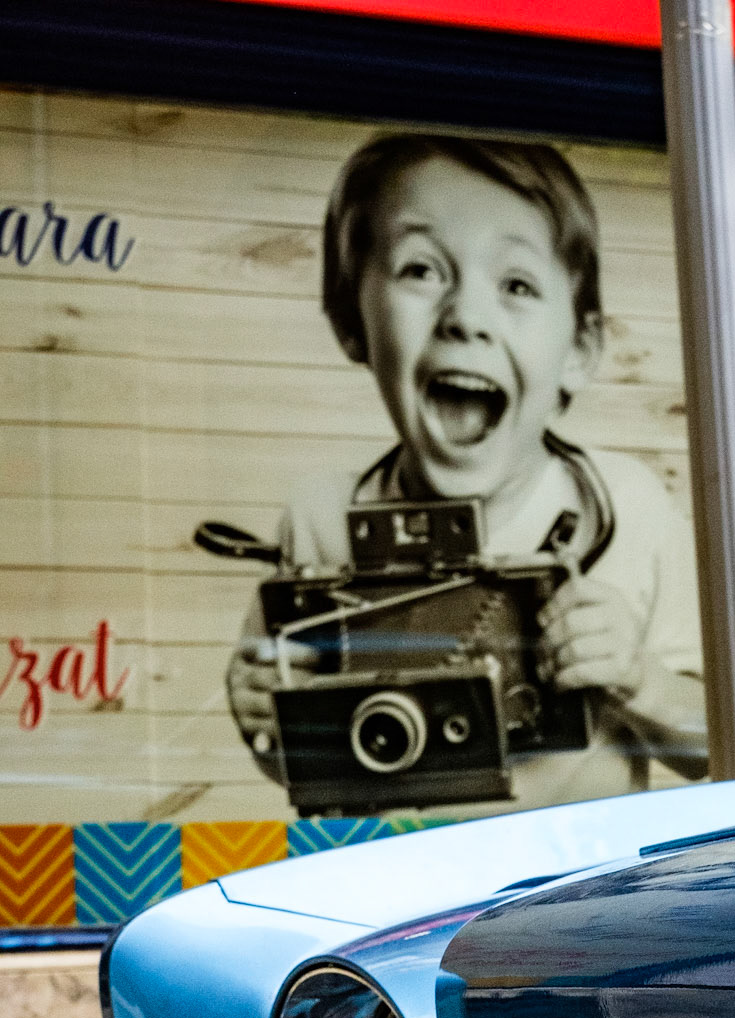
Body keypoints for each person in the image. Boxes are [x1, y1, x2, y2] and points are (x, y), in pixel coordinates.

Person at [226, 134, 706, 807]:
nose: (466, 319)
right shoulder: (321, 516)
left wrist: (639, 677)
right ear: (350, 321)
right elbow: (310, 763)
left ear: (579, 349)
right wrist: (266, 722)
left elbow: (713, 750)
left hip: (570, 872)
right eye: (421, 271)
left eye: (516, 284)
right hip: (400, 862)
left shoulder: (629, 506)